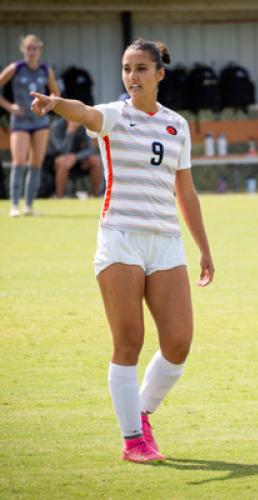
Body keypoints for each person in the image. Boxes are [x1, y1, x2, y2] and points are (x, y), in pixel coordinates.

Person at [31, 38, 215, 463]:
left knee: (179, 343)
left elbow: (185, 191)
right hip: (120, 238)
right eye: (127, 68)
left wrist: (203, 248)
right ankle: (133, 440)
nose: (132, 76)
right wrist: (56, 102)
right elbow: (85, 112)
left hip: (166, 241)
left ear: (159, 74)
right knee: (129, 340)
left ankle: (142, 413)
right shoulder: (115, 115)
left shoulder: (177, 125)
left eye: (141, 69)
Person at [0, 34, 60, 217]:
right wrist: (9, 106)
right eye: (29, 48)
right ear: (23, 50)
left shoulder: (45, 70)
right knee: (19, 162)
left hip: (40, 121)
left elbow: (55, 92)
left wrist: (47, 105)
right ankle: (15, 206)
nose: (32, 52)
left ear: (40, 49)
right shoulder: (16, 68)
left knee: (36, 163)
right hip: (20, 122)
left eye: (35, 48)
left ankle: (28, 206)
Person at [46, 118, 102, 197]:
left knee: (95, 160)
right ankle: (59, 195)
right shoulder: (57, 126)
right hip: (59, 160)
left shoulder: (84, 126)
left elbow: (91, 149)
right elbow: (61, 151)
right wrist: (70, 131)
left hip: (80, 159)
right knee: (63, 162)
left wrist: (76, 157)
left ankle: (95, 195)